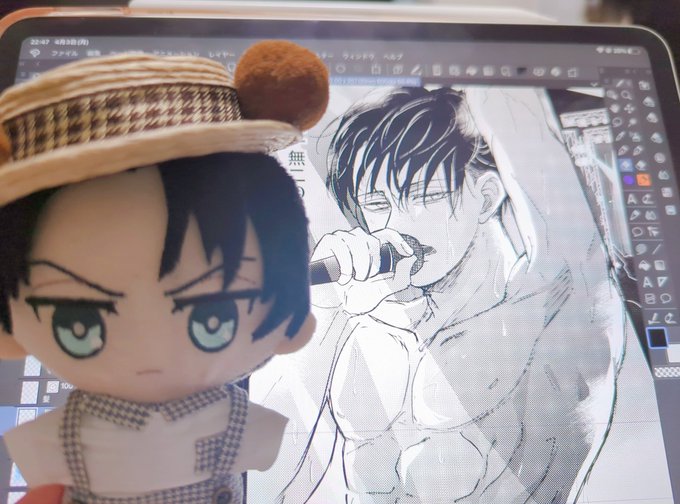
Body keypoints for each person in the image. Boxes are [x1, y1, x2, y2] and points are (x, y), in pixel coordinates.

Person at [0, 41, 328, 503]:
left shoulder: (232, 422)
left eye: (211, 319)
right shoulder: (66, 435)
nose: (149, 349)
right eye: (80, 324)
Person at [281, 87, 628, 503]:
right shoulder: (363, 324)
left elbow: (529, 140)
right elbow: (285, 463)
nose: (398, 223)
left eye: (425, 196)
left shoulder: (549, 311)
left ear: (486, 197)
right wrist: (325, 308)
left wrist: (488, 66)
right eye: (376, 203)